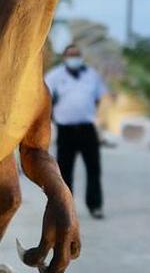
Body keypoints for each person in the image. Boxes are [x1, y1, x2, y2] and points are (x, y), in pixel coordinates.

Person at [45, 44, 109, 219]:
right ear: (64, 57)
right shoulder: (54, 76)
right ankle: (65, 209)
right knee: (64, 171)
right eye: (70, 55)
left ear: (81, 57)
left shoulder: (92, 75)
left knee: (93, 169)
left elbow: (98, 99)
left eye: (77, 55)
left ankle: (95, 205)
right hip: (66, 130)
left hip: (87, 129)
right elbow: (47, 100)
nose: (74, 58)